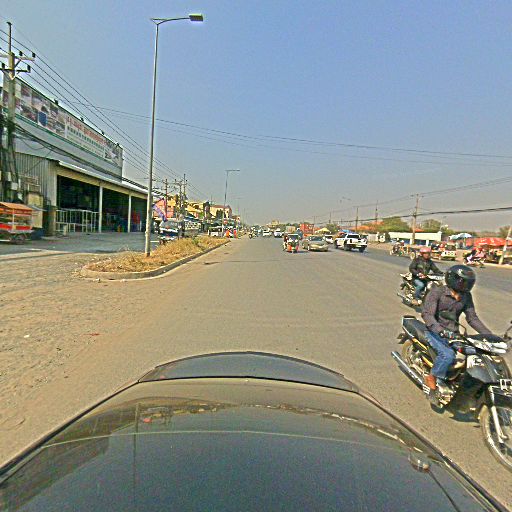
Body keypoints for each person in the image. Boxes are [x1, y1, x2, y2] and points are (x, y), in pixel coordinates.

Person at [421, 265, 492, 392]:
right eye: (462, 281)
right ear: (452, 279)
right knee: (447, 356)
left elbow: (472, 318)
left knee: (477, 353)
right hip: (435, 332)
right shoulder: (437, 292)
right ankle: (432, 376)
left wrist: (489, 336)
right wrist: (440, 330)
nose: (466, 285)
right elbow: (427, 315)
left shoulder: (466, 296)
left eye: (468, 283)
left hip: (454, 334)